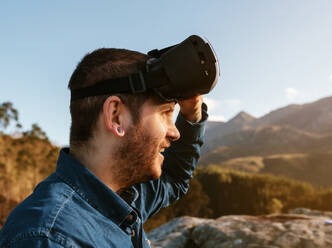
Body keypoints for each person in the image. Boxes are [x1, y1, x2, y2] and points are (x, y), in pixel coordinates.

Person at [0, 48, 208, 247]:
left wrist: (192, 115)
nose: (175, 132)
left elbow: (174, 179)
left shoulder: (121, 197)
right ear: (116, 115)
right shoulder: (49, 238)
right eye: (165, 113)